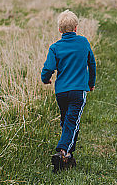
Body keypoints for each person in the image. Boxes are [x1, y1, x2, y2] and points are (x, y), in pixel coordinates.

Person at [41, 10, 96, 172]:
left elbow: (48, 68)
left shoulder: (55, 47)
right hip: (78, 91)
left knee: (66, 121)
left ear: (59, 30)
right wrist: (91, 83)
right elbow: (91, 64)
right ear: (76, 28)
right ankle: (62, 152)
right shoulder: (84, 42)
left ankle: (68, 157)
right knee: (73, 121)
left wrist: (46, 79)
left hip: (61, 92)